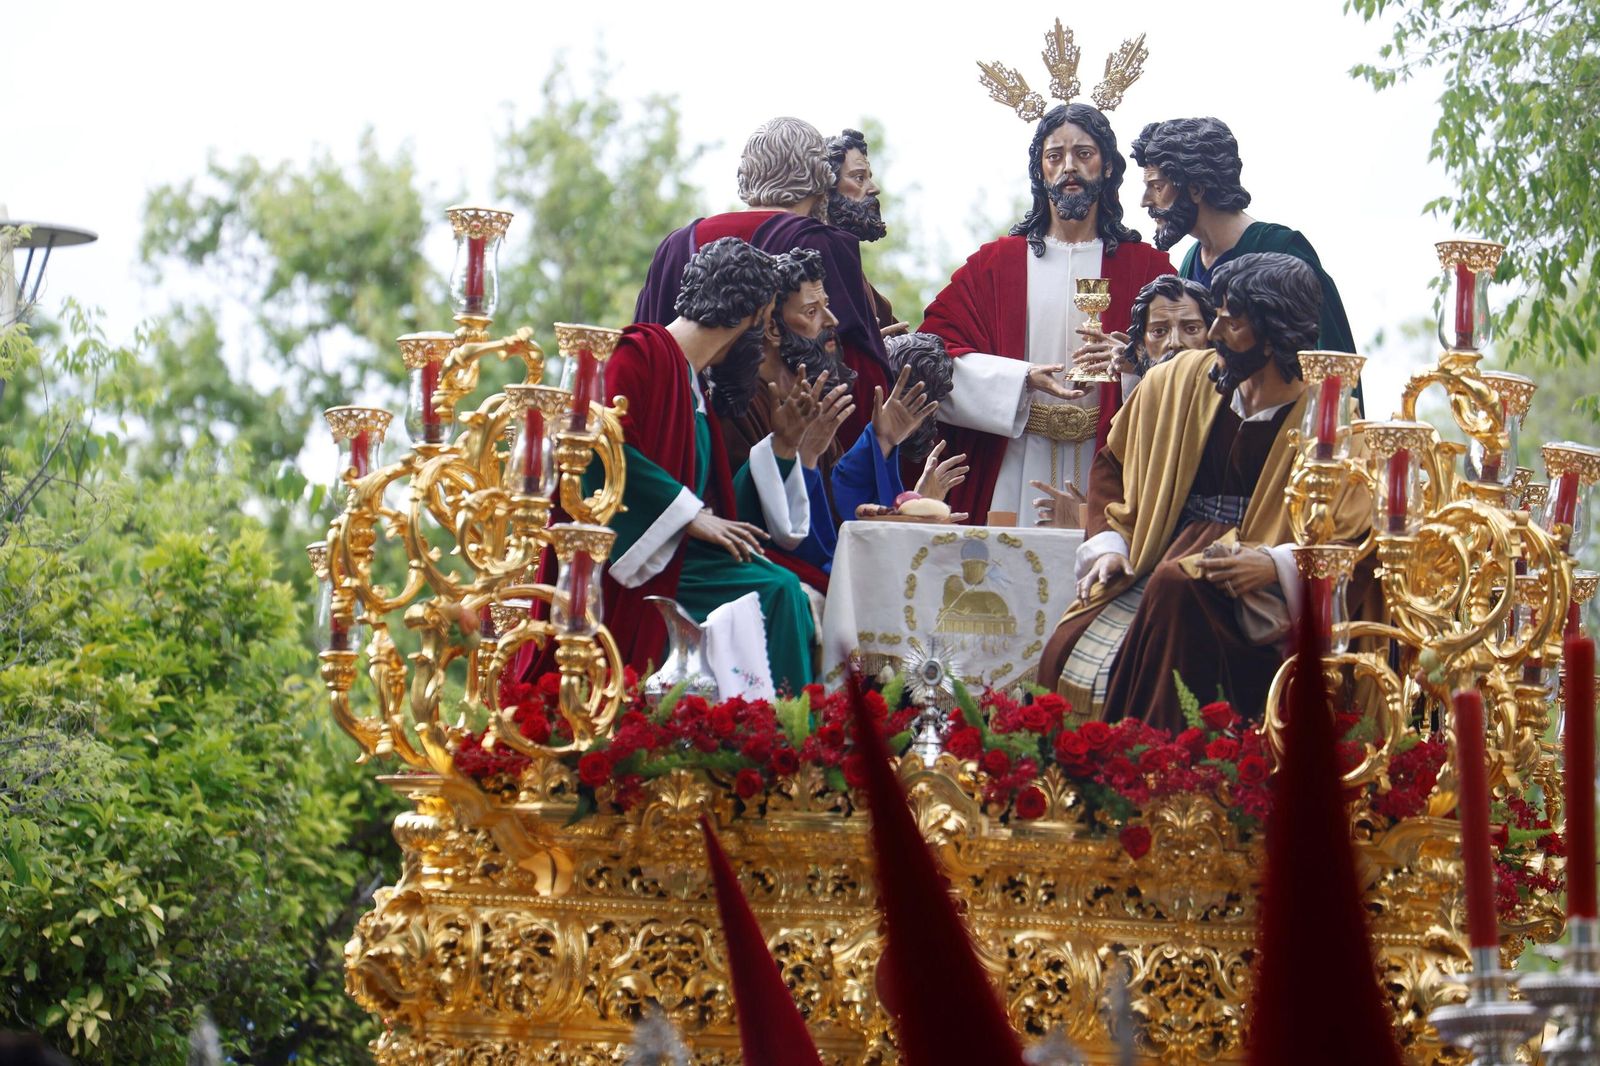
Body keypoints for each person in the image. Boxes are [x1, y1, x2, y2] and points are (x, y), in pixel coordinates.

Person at [1036, 252, 1369, 730]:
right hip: (1158, 552)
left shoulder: (1334, 422)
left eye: (1231, 323)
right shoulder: (1179, 379)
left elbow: (1356, 542)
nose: (1213, 334)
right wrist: (1112, 545)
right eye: (1217, 318)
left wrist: (1275, 565)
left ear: (1273, 334)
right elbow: (1114, 462)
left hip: (1257, 602)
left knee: (1179, 591)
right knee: (1067, 643)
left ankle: (1161, 769)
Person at [921, 103, 1173, 524]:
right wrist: (1017, 379)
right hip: (1017, 458)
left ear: (1108, 166)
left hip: (1112, 464)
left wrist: (1133, 365)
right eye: (1055, 156)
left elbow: (1189, 366)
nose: (1069, 167)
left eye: (1084, 154)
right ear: (1040, 170)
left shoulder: (1147, 268)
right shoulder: (995, 265)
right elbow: (935, 357)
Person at [592, 237, 815, 692]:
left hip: (676, 551)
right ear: (751, 315)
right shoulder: (638, 353)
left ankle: (775, 735)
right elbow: (596, 447)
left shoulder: (693, 383)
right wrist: (688, 514)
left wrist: (784, 447)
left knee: (791, 586)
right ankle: (783, 743)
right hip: (634, 557)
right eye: (767, 317)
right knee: (779, 590)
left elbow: (718, 508)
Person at [634, 117, 893, 447]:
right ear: (819, 175)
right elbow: (857, 377)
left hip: (672, 440)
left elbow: (646, 346)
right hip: (782, 453)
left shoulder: (676, 244)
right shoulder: (823, 243)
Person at [727, 250, 962, 584]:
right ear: (773, 330)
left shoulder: (815, 402)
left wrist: (880, 443)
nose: (832, 321)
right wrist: (797, 454)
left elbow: (836, 502)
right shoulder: (740, 407)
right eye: (812, 310)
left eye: (827, 305)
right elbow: (761, 524)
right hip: (768, 578)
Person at [1130, 117, 1355, 356]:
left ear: (1196, 189)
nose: (1145, 201)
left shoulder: (1280, 250)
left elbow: (1331, 359)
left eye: (1157, 186)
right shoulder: (1192, 260)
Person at [1031, 274, 1215, 524]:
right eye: (1159, 331)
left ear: (1213, 335)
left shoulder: (1233, 409)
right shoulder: (1135, 415)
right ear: (1140, 347)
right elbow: (1127, 502)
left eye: (1191, 329)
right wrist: (1088, 517)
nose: (1175, 343)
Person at [825, 127, 908, 337]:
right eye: (859, 178)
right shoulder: (818, 257)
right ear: (826, 187)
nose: (874, 188)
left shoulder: (849, 264)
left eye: (869, 177)